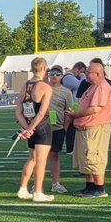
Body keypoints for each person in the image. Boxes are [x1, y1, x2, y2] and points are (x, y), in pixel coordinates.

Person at [13, 57, 55, 202]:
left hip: (29, 126)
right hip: (42, 128)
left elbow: (18, 111)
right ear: (44, 69)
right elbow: (42, 113)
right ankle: (37, 192)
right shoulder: (45, 87)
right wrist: (31, 128)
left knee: (32, 159)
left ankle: (23, 188)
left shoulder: (24, 86)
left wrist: (27, 128)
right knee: (41, 161)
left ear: (32, 69)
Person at [73, 59, 111, 198]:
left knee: (95, 157)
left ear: (97, 73)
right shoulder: (92, 86)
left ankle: (99, 188)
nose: (85, 74)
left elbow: (95, 109)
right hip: (86, 127)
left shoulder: (102, 86)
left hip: (95, 128)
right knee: (86, 158)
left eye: (88, 72)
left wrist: (76, 114)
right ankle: (90, 187)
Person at [46, 65, 72, 194]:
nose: (54, 76)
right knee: (38, 157)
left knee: (55, 156)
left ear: (62, 76)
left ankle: (55, 183)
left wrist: (64, 128)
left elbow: (69, 112)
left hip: (58, 128)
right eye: (52, 73)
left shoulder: (66, 92)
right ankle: (35, 184)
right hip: (42, 128)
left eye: (57, 74)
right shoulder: (42, 88)